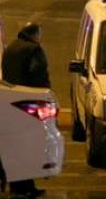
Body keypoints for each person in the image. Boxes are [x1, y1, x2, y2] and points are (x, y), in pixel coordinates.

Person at [1, 24, 50, 198]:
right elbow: (39, 76)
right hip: (29, 104)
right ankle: (26, 187)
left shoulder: (10, 49)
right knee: (29, 147)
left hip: (10, 103)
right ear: (35, 34)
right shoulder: (34, 50)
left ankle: (18, 186)